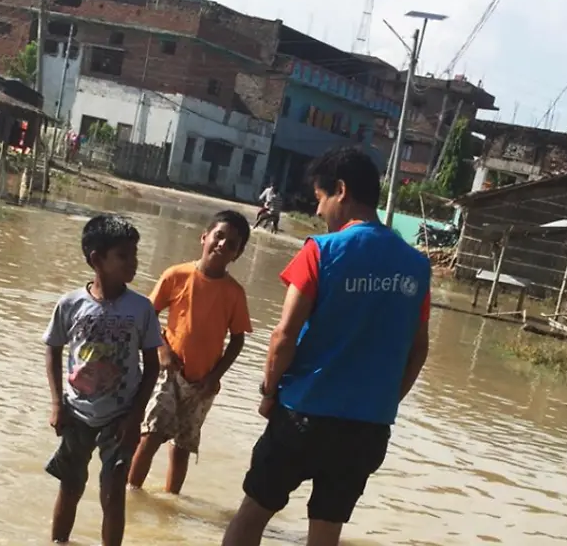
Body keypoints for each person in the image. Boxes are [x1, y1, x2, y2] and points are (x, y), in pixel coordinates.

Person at [222, 147, 432, 546]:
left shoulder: (320, 251)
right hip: (368, 429)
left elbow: (283, 336)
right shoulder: (417, 266)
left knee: (252, 515)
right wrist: (385, 401)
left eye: (320, 199)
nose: (319, 212)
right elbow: (418, 350)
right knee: (326, 531)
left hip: (303, 416)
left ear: (341, 190)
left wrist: (269, 393)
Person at [42, 214, 162, 545]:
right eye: (123, 255)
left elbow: (152, 365)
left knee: (113, 496)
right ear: (97, 259)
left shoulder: (141, 309)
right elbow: (52, 349)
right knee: (70, 487)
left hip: (121, 417)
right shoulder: (70, 304)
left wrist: (136, 415)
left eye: (134, 254)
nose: (133, 263)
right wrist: (56, 405)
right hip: (76, 412)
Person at [129, 210, 253, 494]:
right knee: (151, 434)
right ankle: (130, 492)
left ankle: (171, 500)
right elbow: (148, 316)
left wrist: (215, 376)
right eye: (218, 236)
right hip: (168, 372)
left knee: (183, 447)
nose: (222, 245)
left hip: (203, 383)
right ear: (204, 237)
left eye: (232, 243)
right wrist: (162, 350)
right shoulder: (177, 275)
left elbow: (237, 340)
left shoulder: (234, 293)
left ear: (238, 253)